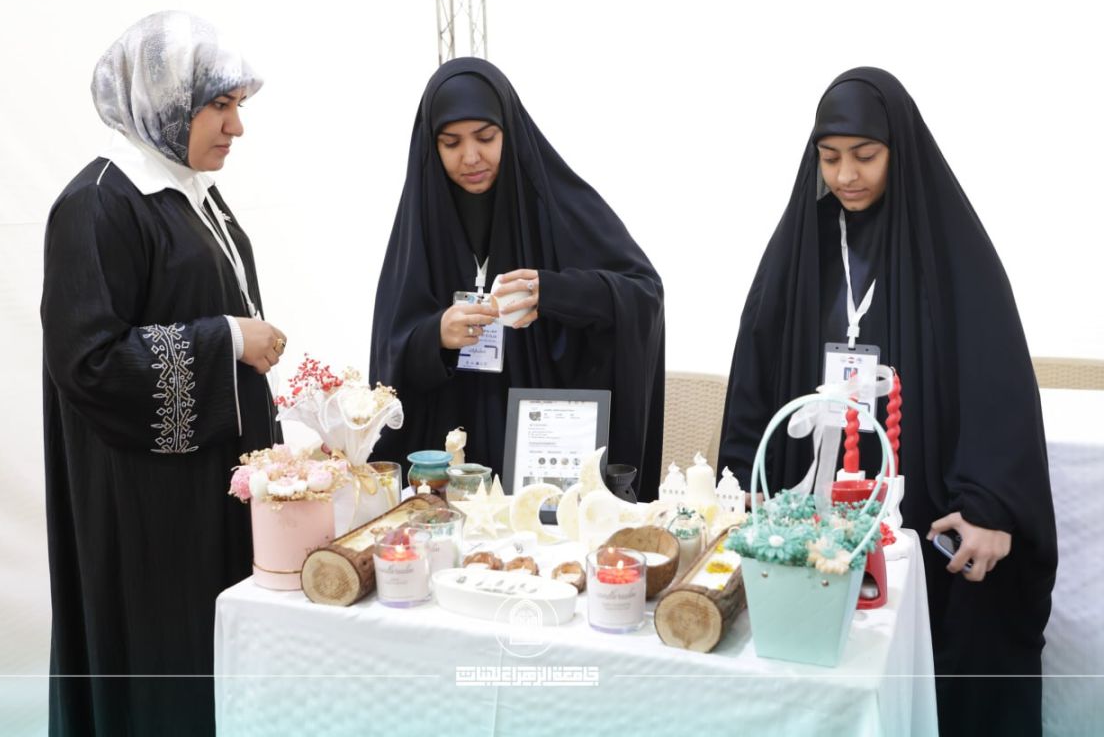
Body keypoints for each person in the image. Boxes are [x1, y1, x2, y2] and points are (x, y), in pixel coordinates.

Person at [716, 67, 1056, 736]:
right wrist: (738, 476)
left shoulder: (950, 249)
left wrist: (990, 504)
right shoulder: (802, 245)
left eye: (865, 155)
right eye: (829, 157)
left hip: (923, 503)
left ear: (898, 150)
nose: (846, 175)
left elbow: (995, 382)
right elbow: (756, 365)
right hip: (812, 510)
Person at [41, 11, 285, 735]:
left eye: (238, 105)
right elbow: (88, 364)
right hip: (145, 511)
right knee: (162, 672)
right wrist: (227, 340)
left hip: (207, 493)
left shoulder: (195, 195)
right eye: (220, 105)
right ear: (164, 101)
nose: (237, 127)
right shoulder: (98, 203)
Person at [369, 58, 665, 499]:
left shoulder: (555, 204)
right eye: (451, 143)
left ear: (509, 129)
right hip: (451, 462)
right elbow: (390, 354)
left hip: (547, 454)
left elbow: (643, 293)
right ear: (431, 146)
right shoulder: (421, 224)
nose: (471, 157)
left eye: (486, 137)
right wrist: (436, 335)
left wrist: (554, 291)